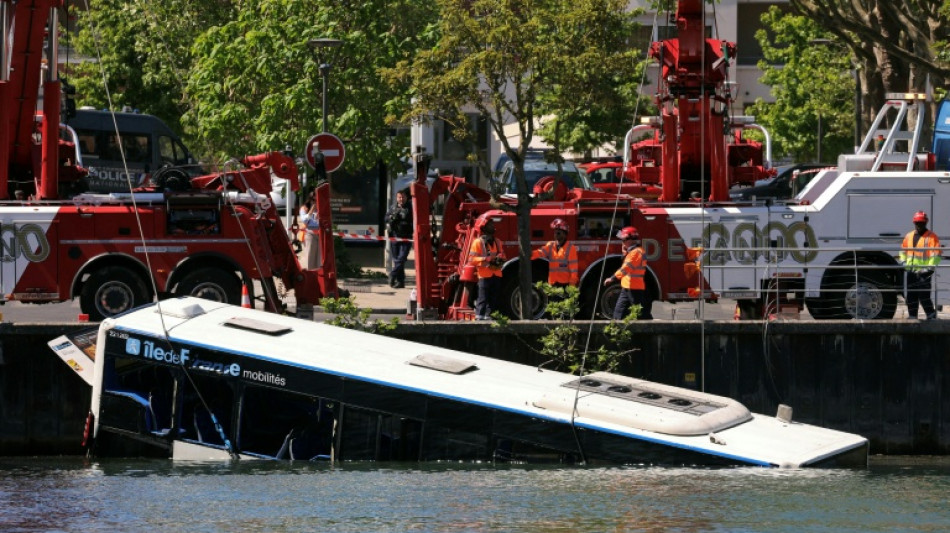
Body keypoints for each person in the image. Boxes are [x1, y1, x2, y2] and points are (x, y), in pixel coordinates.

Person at [603, 226, 652, 320]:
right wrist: (625, 254)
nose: (622, 243)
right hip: (627, 287)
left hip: (634, 288)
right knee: (618, 312)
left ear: (630, 240)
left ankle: (648, 330)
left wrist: (612, 278)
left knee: (641, 314)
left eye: (623, 240)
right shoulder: (633, 252)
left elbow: (625, 269)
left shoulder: (636, 253)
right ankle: (616, 330)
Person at [900, 210, 941, 319]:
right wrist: (904, 263)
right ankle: (912, 316)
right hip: (911, 271)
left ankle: (931, 315)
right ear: (914, 223)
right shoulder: (909, 236)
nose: (919, 225)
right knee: (911, 295)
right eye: (917, 223)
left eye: (921, 223)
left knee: (924, 295)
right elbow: (903, 251)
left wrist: (929, 269)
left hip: (924, 272)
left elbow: (936, 254)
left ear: (925, 223)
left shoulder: (932, 237)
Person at [469, 214, 506, 320]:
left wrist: (501, 257)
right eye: (490, 224)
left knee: (493, 298)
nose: (493, 226)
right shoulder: (477, 242)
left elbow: (503, 256)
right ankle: (479, 317)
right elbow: (471, 260)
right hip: (484, 275)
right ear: (483, 227)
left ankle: (490, 317)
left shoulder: (498, 242)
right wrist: (485, 259)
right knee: (483, 298)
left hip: (496, 273)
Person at [531, 218, 578, 287]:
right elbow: (539, 253)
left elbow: (574, 269)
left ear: (565, 234)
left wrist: (572, 286)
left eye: (558, 232)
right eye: (555, 232)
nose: (556, 234)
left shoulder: (571, 248)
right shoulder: (550, 245)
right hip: (553, 284)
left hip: (565, 285)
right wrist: (529, 253)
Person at [386, 189, 414, 288]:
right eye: (399, 197)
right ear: (397, 198)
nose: (401, 199)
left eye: (403, 197)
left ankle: (392, 275)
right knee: (396, 259)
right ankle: (400, 281)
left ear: (406, 197)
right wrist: (391, 218)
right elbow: (386, 218)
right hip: (394, 237)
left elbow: (413, 221)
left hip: (406, 238)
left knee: (401, 259)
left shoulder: (411, 208)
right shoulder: (393, 208)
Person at [299, 191, 321, 270]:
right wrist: (311, 211)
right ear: (310, 200)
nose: (316, 202)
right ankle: (310, 271)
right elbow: (304, 220)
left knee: (319, 257)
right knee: (310, 255)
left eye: (317, 200)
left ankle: (319, 272)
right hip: (309, 232)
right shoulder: (304, 208)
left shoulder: (320, 208)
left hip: (320, 232)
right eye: (314, 200)